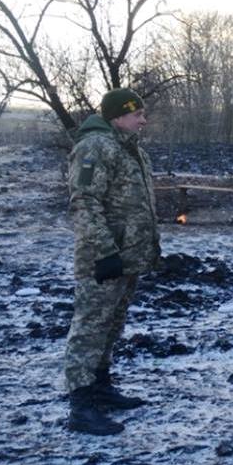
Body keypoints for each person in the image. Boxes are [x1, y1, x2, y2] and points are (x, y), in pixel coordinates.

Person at [64, 88, 161, 435]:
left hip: (128, 257)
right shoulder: (95, 148)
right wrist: (105, 252)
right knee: (90, 327)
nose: (143, 120)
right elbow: (85, 202)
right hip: (103, 258)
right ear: (119, 115)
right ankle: (81, 404)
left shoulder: (130, 149)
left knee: (112, 324)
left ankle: (101, 387)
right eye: (137, 114)